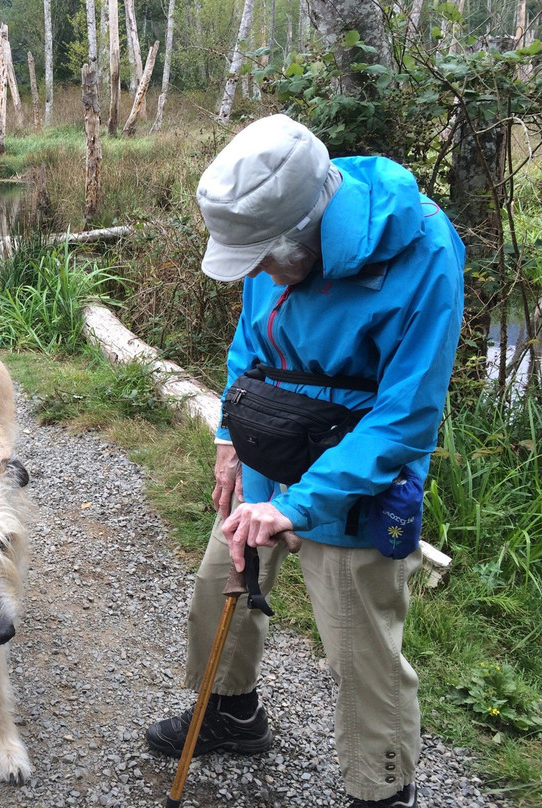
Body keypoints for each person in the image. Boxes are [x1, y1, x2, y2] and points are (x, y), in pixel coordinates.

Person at [145, 114, 464, 808]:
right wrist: (230, 435)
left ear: (309, 230)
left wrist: (297, 505)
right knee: (218, 586)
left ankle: (381, 789)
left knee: (361, 649)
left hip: (359, 477)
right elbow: (247, 345)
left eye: (262, 259)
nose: (255, 273)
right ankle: (231, 714)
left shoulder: (426, 251)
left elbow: (405, 418)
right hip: (266, 446)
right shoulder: (275, 225)